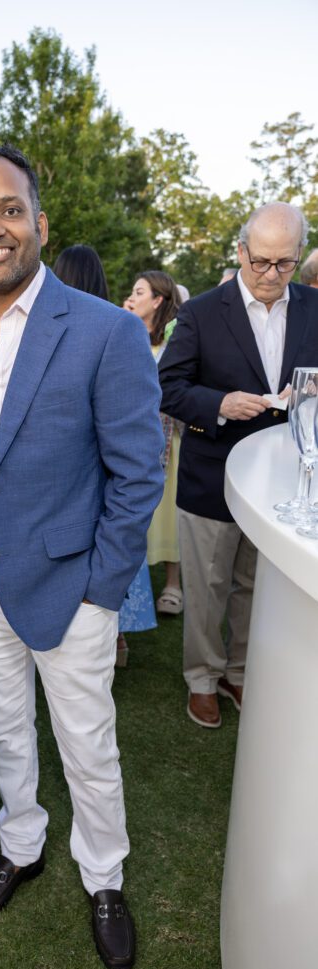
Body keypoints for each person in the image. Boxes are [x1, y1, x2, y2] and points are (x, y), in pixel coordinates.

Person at [0, 143, 164, 969]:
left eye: (8, 210)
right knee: (3, 731)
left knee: (87, 743)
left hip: (71, 584)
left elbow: (136, 472)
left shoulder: (104, 330)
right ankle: (22, 843)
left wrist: (101, 591)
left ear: (38, 223)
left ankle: (103, 875)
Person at [159, 202, 318, 728]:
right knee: (207, 585)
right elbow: (167, 387)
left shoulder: (315, 310)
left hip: (285, 479)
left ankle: (240, 672)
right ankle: (202, 677)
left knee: (257, 583)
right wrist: (219, 404)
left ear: (298, 256)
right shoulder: (202, 311)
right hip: (213, 475)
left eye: (285, 263)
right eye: (261, 262)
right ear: (242, 251)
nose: (271, 275)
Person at [53, 245, 156, 667]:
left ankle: (103, 625)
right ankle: (114, 637)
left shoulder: (111, 329)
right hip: (101, 484)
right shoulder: (114, 323)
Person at [125, 271, 183, 615]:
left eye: (139, 292)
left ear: (158, 300)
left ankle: (174, 584)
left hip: (170, 440)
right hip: (135, 440)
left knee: (169, 512)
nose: (132, 297)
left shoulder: (174, 340)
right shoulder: (126, 334)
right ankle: (139, 583)